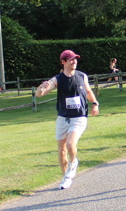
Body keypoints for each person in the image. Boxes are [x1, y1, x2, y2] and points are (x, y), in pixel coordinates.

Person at [36, 50, 100, 190]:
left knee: (71, 144)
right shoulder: (57, 79)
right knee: (62, 150)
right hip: (63, 118)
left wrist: (95, 103)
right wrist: (41, 88)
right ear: (63, 62)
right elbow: (40, 94)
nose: (74, 61)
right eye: (71, 59)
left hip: (79, 117)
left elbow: (88, 91)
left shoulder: (82, 76)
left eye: (75, 59)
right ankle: (66, 177)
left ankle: (73, 162)